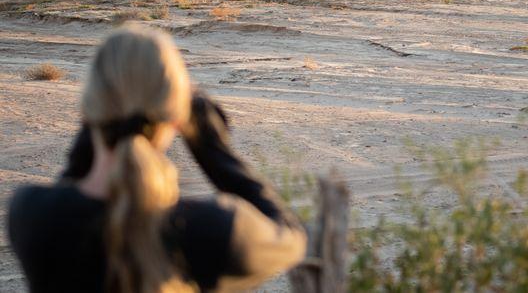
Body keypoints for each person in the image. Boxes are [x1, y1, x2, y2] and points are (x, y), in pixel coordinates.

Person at [8, 26, 307, 292]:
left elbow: (69, 192)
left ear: (89, 110)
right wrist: (211, 142)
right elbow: (290, 237)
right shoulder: (215, 231)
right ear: (177, 117)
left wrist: (94, 129)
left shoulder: (32, 216)